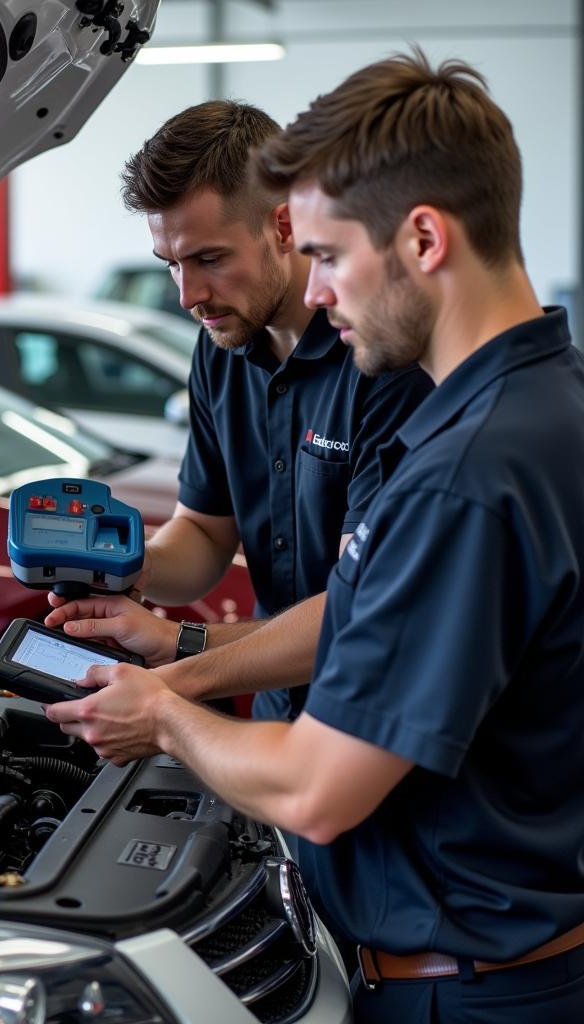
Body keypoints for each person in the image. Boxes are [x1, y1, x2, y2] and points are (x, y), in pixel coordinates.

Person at [46, 51, 584, 1023]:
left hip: (462, 987)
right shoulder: (536, 406)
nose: (321, 292)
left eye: (328, 255)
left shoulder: (463, 473)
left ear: (420, 239)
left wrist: (166, 702)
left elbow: (319, 788)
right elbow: (221, 546)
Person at [48, 100, 431, 722]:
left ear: (283, 226)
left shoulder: (385, 358)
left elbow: (361, 606)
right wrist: (122, 564)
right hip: (278, 712)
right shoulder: (220, 347)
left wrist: (180, 650)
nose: (187, 295)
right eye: (171, 263)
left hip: (379, 722)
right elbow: (203, 533)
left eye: (209, 258)